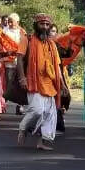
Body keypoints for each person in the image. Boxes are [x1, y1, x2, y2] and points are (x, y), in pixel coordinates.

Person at [17, 14, 63, 151]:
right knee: (37, 110)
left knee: (49, 114)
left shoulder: (52, 44)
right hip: (33, 81)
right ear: (36, 25)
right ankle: (23, 128)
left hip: (49, 83)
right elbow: (19, 58)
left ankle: (41, 141)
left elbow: (57, 66)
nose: (44, 27)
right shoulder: (28, 39)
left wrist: (64, 85)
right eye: (41, 24)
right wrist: (22, 78)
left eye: (47, 25)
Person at [3, 13, 28, 114]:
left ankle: (20, 106)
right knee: (9, 84)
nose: (9, 23)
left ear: (17, 22)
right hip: (8, 63)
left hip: (20, 63)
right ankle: (2, 104)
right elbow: (0, 45)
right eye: (8, 21)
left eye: (11, 21)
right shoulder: (4, 31)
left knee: (20, 84)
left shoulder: (22, 32)